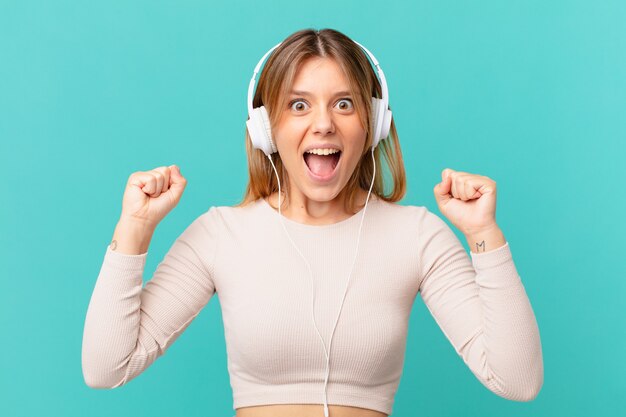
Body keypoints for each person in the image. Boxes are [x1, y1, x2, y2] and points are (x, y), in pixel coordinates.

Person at [82, 28, 544, 417]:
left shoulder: (417, 236)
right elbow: (106, 368)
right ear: (267, 130)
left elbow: (517, 380)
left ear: (375, 124)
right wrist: (134, 231)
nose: (323, 124)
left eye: (344, 104)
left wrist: (484, 235)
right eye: (299, 105)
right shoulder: (220, 234)